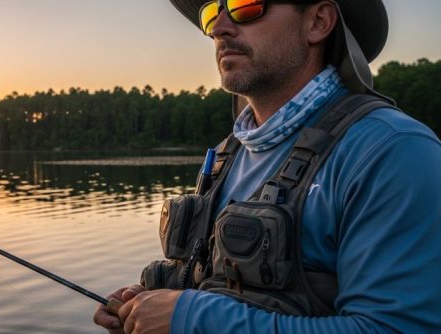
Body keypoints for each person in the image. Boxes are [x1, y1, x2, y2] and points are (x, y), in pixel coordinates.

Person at [94, 0, 441, 333]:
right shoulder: (225, 156)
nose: (220, 28)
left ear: (318, 22)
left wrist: (192, 319)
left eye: (246, 5)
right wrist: (149, 308)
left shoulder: (394, 150)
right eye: (213, 12)